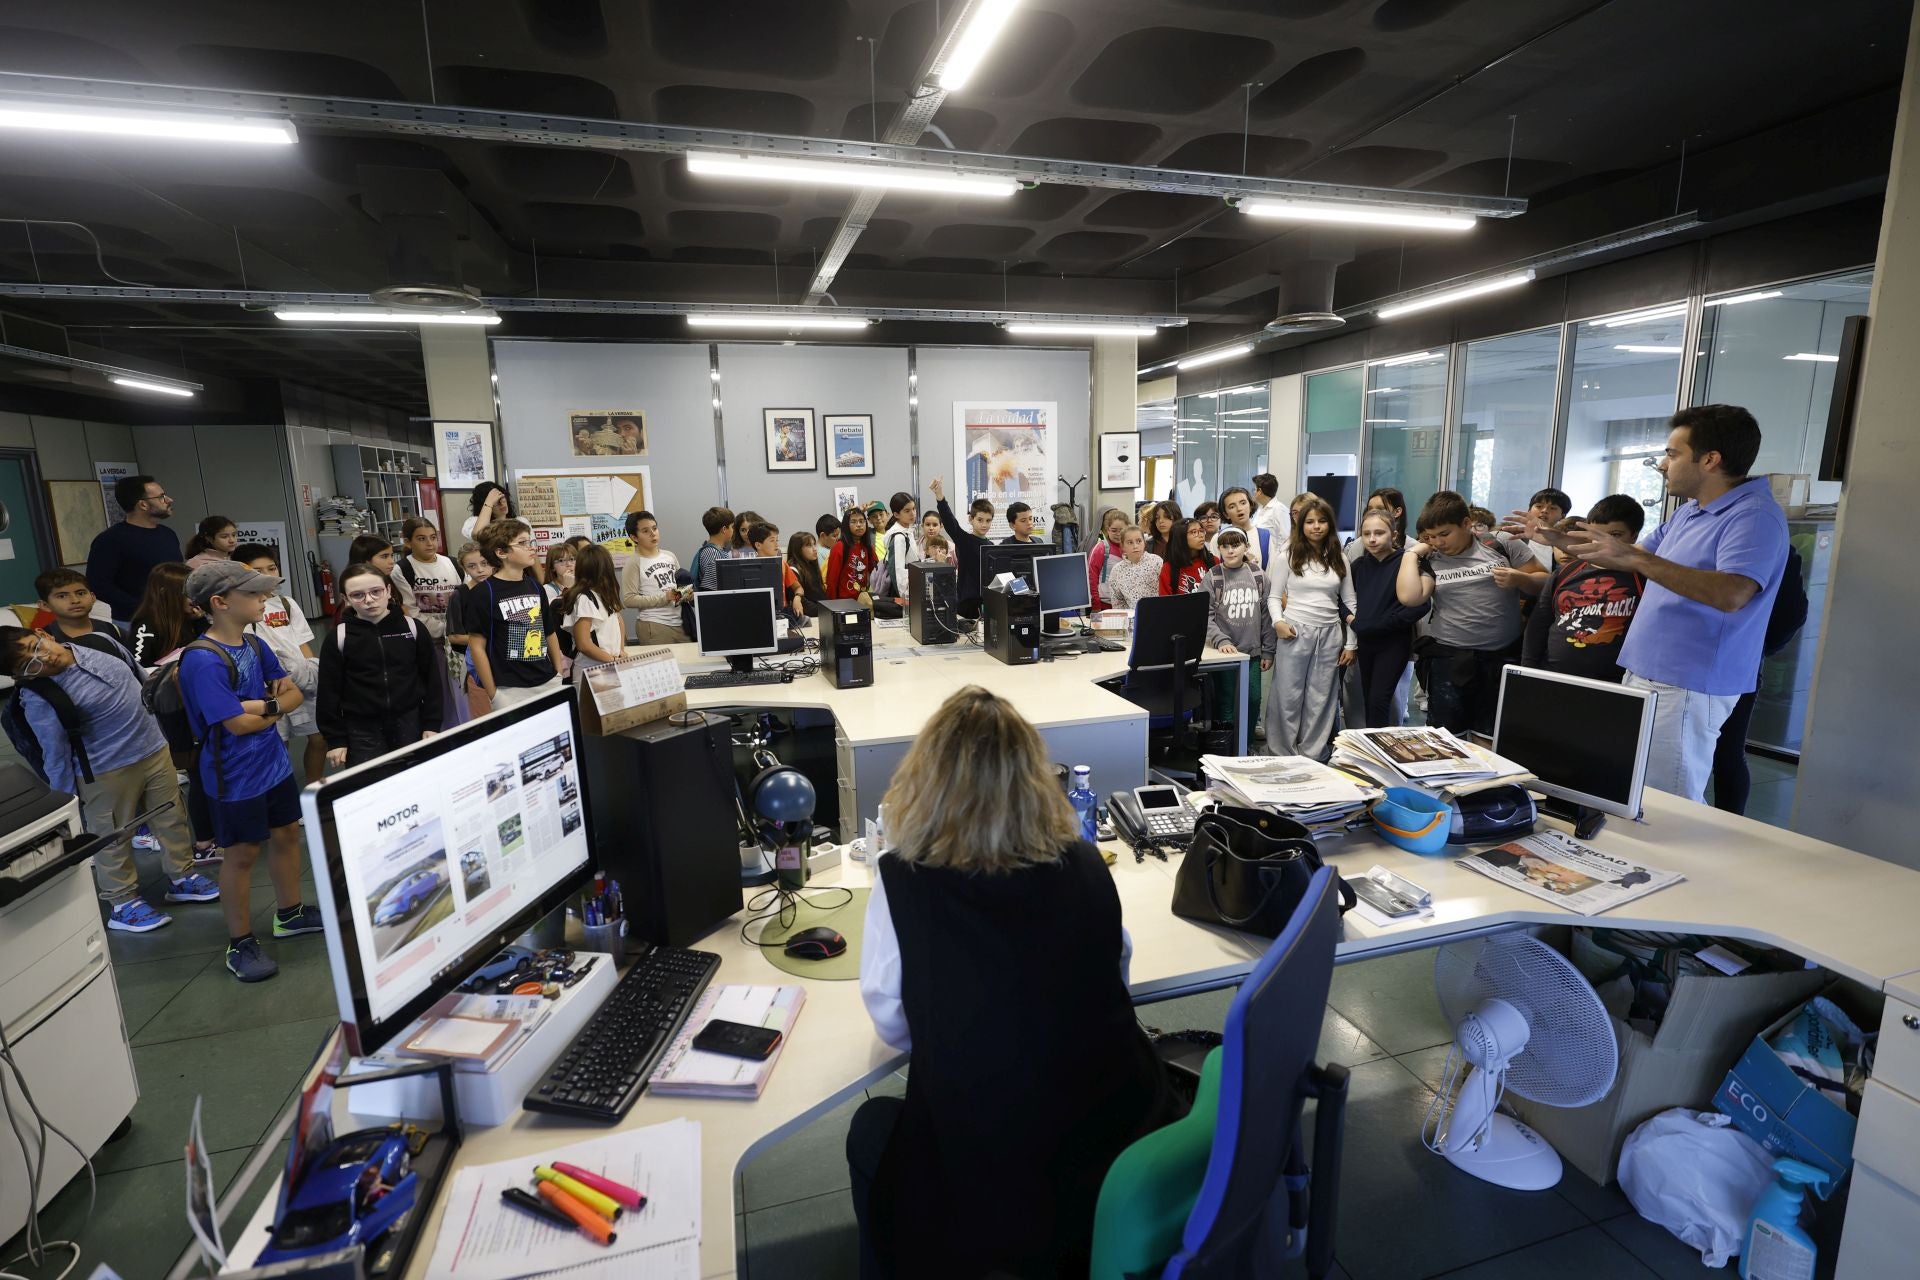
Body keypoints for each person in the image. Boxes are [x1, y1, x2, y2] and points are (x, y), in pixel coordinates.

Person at [847, 686, 1169, 1278]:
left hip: (994, 1193)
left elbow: (894, 1026)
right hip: (1118, 1152)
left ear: (925, 782)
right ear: (1034, 780)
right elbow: (1114, 974)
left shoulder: (901, 882)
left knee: (871, 1130)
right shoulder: (1087, 863)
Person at [1506, 405, 1789, 801]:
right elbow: (1627, 555)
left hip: (1686, 682)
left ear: (1710, 460)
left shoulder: (1753, 516)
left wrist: (1637, 560)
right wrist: (1558, 540)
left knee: (1668, 799)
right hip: (1647, 673)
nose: (1662, 464)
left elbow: (1732, 593)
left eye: (1673, 454)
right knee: (1635, 790)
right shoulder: (1691, 512)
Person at [0, 626, 218, 933]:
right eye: (29, 664)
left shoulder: (100, 642)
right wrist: (65, 802)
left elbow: (142, 681)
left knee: (172, 818)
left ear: (42, 634)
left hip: (153, 750)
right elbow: (55, 752)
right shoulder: (38, 695)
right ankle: (122, 903)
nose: (44, 659)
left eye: (36, 647)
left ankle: (182, 876)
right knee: (112, 837)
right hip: (104, 771)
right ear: (19, 676)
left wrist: (167, 732)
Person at [178, 562, 322, 983]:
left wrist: (262, 706)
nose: (264, 599)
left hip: (273, 763)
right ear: (219, 602)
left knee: (286, 832)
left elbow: (291, 693)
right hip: (232, 774)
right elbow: (236, 726)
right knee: (242, 853)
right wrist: (268, 709)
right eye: (254, 594)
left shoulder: (255, 644)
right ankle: (239, 942)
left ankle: (290, 913)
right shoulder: (202, 660)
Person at [1399, 490, 1542, 736]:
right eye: (1431, 536)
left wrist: (1521, 579)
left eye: (1444, 534)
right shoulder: (1431, 557)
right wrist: (1411, 554)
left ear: (1466, 523)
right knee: (1446, 738)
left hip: (1500, 658)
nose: (1438, 542)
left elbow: (1544, 581)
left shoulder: (1501, 543)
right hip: (1450, 659)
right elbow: (1410, 597)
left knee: (1490, 736)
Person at [1712, 542, 1808, 816]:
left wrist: (1756, 648)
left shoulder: (1767, 542)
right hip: (1681, 664)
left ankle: (1729, 825)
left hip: (1737, 664)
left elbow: (1791, 613)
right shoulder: (1691, 536)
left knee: (1727, 753)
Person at [316, 563, 442, 768]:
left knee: (416, 777)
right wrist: (335, 739)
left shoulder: (413, 628)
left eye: (376, 591)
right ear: (346, 599)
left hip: (410, 722)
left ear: (388, 591)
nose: (369, 600)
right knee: (371, 782)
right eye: (357, 595)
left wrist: (432, 723)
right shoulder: (339, 637)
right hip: (362, 730)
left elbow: (432, 679)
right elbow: (328, 692)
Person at [1265, 495, 1357, 760]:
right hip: (1294, 631)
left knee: (1322, 698)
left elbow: (1350, 602)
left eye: (1322, 521)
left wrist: (1351, 643)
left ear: (1330, 524)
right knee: (1287, 695)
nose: (1316, 526)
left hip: (1330, 634)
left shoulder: (1339, 557)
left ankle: (1312, 755)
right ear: (1301, 524)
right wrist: (1278, 622)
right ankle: (1282, 754)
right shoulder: (1288, 555)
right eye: (1310, 521)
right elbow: (1274, 596)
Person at [1520, 495, 1647, 683]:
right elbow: (1538, 625)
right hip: (1553, 676)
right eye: (1595, 534)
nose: (1603, 542)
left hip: (1614, 684)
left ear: (1634, 536)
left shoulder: (1644, 577)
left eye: (1615, 535)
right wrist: (1526, 672)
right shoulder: (1566, 572)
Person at [235, 544, 326, 785]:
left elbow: (303, 645)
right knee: (278, 742)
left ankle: (314, 787)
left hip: (301, 682)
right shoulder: (241, 608)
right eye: (257, 570)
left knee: (319, 738)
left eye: (272, 568)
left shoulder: (287, 603)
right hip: (269, 687)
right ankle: (280, 791)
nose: (267, 575)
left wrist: (312, 675)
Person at [463, 521, 562, 710]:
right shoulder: (484, 593)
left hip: (547, 679)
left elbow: (549, 632)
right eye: (522, 543)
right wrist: (493, 693)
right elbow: (477, 646)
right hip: (509, 688)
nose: (531, 548)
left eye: (530, 542)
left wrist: (557, 672)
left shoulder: (535, 586)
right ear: (501, 552)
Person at [1348, 508, 1428, 729]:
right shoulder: (1359, 566)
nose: (1372, 539)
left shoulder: (1406, 562)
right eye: (1367, 534)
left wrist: (1384, 624)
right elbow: (1343, 599)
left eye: (1379, 533)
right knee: (1368, 698)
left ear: (1393, 534)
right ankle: (1372, 742)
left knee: (1379, 699)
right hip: (1366, 641)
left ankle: (1378, 746)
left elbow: (1421, 604)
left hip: (1393, 643)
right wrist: (1352, 620)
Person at [1204, 528, 1274, 733]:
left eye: (1235, 545)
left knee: (1253, 699)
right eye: (1225, 546)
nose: (1230, 550)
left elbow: (1267, 615)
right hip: (1223, 653)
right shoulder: (1213, 576)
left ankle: (1246, 743)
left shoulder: (1258, 575)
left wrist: (1268, 650)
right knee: (1226, 700)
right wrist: (1221, 640)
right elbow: (1204, 615)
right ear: (1218, 549)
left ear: (1246, 547)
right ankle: (1228, 745)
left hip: (1252, 652)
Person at [86, 474, 181, 621]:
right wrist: (143, 608)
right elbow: (99, 585)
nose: (169, 500)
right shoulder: (110, 540)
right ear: (143, 505)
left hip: (174, 617)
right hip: (134, 621)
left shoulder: (168, 534)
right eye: (161, 497)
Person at [621, 510, 691, 644]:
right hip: (654, 624)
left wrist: (686, 593)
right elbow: (629, 599)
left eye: (654, 528)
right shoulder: (633, 563)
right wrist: (664, 598)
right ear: (634, 537)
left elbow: (679, 584)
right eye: (645, 531)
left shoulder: (669, 556)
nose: (653, 533)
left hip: (680, 621)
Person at [929, 476, 994, 616]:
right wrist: (940, 497)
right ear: (971, 519)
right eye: (980, 520)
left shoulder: (991, 547)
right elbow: (950, 523)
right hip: (967, 604)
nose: (984, 524)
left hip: (987, 603)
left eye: (988, 521)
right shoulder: (965, 541)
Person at [444, 542, 495, 720]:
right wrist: (490, 638)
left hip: (505, 660)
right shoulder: (460, 595)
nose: (480, 570)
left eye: (484, 563)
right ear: (463, 568)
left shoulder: (500, 589)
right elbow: (454, 636)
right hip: (475, 663)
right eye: (472, 566)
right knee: (485, 716)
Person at [560, 544, 626, 675]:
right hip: (592, 669)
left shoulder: (605, 594)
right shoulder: (584, 598)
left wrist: (620, 650)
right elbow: (583, 644)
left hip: (610, 664)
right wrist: (611, 659)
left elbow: (618, 622)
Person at [128, 562, 206, 668]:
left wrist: (200, 622)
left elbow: (210, 651)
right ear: (164, 593)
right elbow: (136, 668)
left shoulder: (193, 620)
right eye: (188, 592)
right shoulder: (146, 626)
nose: (195, 597)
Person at [35, 569, 125, 650]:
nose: (75, 600)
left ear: (92, 597)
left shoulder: (113, 631)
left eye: (81, 593)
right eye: (62, 596)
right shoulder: (42, 640)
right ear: (45, 605)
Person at [1103, 525, 1163, 612]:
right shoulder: (1117, 570)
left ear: (1144, 543)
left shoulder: (1156, 561)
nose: (1135, 546)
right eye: (1130, 542)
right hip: (1133, 617)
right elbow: (1117, 602)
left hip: (1158, 613)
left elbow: (1166, 592)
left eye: (1139, 541)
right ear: (1123, 546)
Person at [825, 506, 878, 602]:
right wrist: (832, 605)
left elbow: (876, 570)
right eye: (853, 522)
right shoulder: (839, 547)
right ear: (846, 525)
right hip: (844, 602)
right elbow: (832, 580)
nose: (859, 525)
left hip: (862, 599)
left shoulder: (867, 546)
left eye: (861, 521)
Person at [1212, 486, 1273, 569]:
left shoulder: (1266, 536)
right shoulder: (1218, 538)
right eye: (1232, 506)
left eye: (1243, 503)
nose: (1239, 509)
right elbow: (1214, 571)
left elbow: (1271, 571)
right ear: (1226, 514)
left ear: (1250, 506)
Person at [1085, 507, 1129, 610]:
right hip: (1103, 605)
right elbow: (1091, 577)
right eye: (1114, 530)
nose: (1118, 534)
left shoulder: (1130, 548)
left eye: (1121, 530)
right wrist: (1096, 606)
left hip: (1126, 606)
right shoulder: (1101, 548)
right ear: (1107, 529)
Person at [1158, 517, 1215, 595]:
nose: (1201, 535)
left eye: (1201, 531)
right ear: (1180, 537)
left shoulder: (1213, 561)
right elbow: (1165, 600)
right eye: (1194, 532)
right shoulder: (1169, 569)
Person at [1522, 487, 1574, 568]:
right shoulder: (1517, 536)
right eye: (1539, 506)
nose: (1544, 511)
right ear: (1529, 511)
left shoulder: (1564, 540)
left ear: (1563, 516)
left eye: (1552, 508)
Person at [691, 505, 735, 591]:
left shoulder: (717, 551)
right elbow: (711, 590)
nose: (733, 530)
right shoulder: (712, 553)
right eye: (732, 527)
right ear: (724, 529)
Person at [787, 530, 829, 615]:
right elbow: (803, 604)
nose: (815, 549)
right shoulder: (793, 569)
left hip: (820, 613)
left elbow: (820, 595)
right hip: (810, 616)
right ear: (798, 549)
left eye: (814, 544)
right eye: (809, 546)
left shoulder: (811, 565)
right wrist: (826, 611)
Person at [1251, 472, 1290, 542]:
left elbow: (1286, 538)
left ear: (1259, 491)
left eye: (1254, 489)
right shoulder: (1261, 508)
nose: (1253, 492)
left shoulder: (1279, 509)